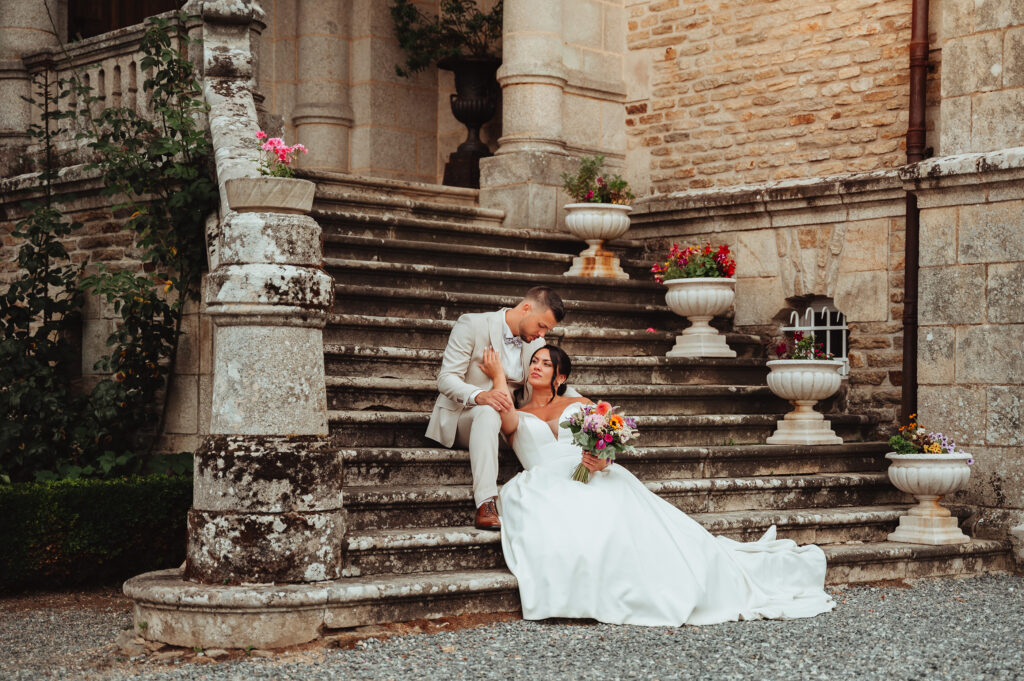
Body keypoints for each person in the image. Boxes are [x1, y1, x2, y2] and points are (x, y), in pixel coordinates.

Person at [479, 345, 836, 626]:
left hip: (595, 474)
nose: (536, 367)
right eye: (534, 362)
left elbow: (606, 441)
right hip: (544, 483)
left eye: (545, 363)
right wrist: (497, 375)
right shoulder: (517, 414)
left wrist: (601, 460)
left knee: (644, 529)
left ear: (561, 376)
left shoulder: (582, 403)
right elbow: (504, 413)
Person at [425, 286, 566, 530]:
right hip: (465, 416)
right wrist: (479, 396)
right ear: (526, 308)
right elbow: (446, 379)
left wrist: (583, 406)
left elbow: (547, 382)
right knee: (489, 412)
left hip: (509, 421)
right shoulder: (472, 325)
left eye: (547, 330)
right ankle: (486, 503)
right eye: (541, 325)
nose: (542, 334)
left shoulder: (535, 343)